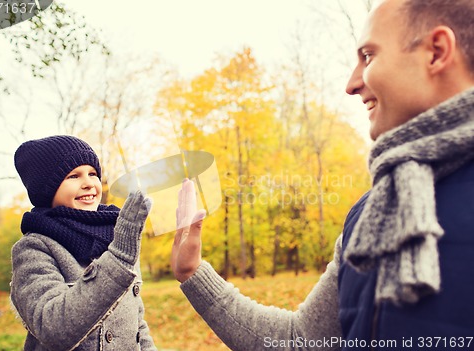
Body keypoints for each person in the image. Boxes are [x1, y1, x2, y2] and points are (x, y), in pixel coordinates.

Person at [171, 0, 474, 350]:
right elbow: (302, 340)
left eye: (369, 56)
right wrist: (192, 274)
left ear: (436, 52)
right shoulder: (369, 215)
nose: (351, 83)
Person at [11, 135, 157, 351]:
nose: (88, 183)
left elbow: (136, 324)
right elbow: (53, 329)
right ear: (46, 189)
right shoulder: (35, 248)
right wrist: (118, 260)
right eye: (73, 176)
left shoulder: (116, 236)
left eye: (93, 174)